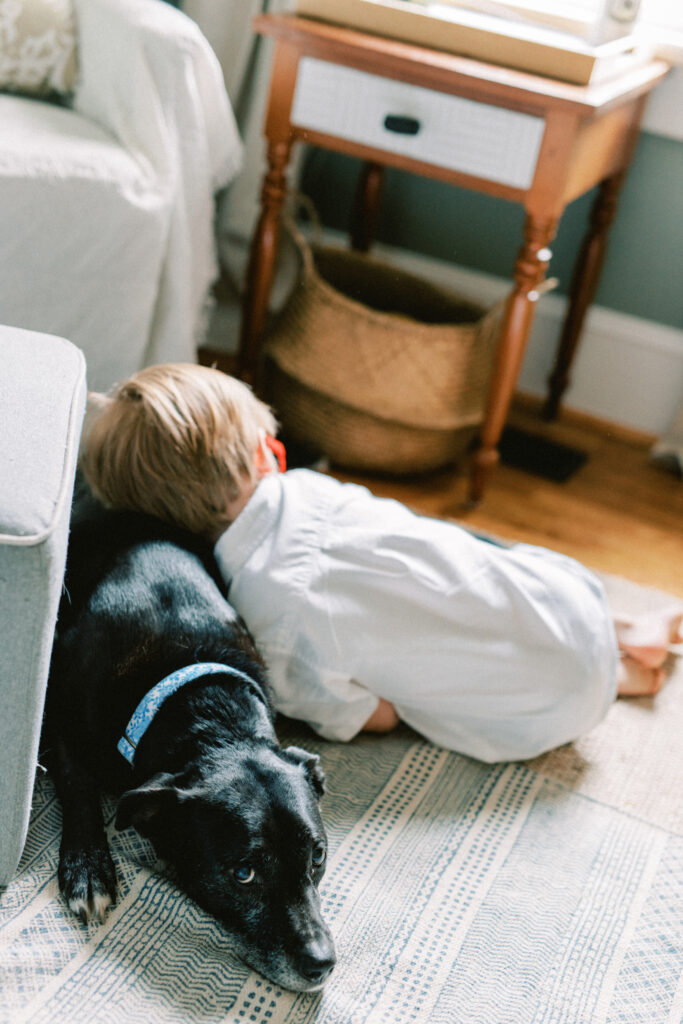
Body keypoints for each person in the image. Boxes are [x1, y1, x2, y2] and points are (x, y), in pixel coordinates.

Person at [81, 363, 682, 763]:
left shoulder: (267, 630)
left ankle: (622, 677)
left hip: (549, 716)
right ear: (272, 453)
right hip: (566, 594)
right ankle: (623, 631)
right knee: (475, 571)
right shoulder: (318, 491)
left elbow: (378, 717)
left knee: (446, 681)